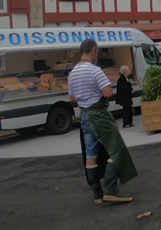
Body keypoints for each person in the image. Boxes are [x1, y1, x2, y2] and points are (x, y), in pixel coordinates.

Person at [69, 39, 136, 204]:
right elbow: (107, 93)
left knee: (91, 154)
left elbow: (72, 99)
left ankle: (97, 193)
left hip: (84, 116)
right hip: (98, 115)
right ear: (93, 51)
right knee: (116, 149)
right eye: (97, 52)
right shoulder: (95, 70)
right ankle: (111, 188)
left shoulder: (73, 73)